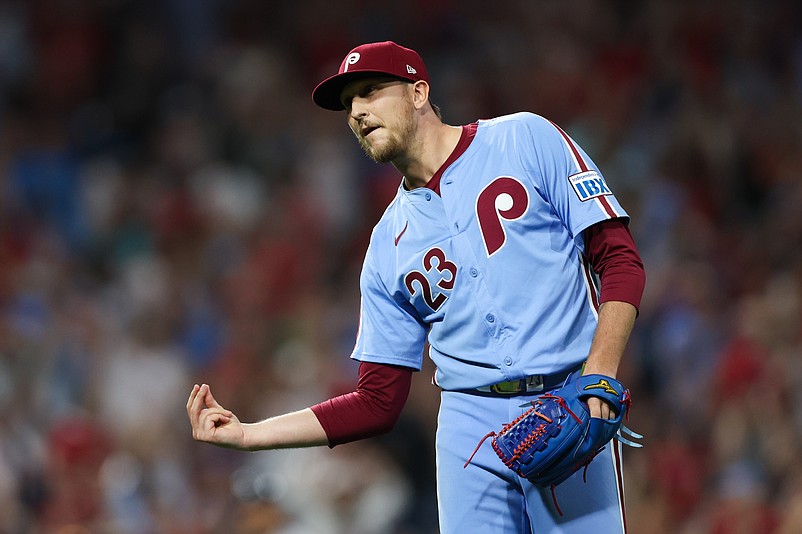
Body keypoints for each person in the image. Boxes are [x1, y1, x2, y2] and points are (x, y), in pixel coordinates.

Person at [187, 40, 646, 533]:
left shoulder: (524, 139)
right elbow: (376, 401)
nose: (358, 111)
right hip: (469, 429)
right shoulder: (387, 245)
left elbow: (619, 259)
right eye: (348, 105)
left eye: (369, 92)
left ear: (418, 92)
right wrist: (250, 435)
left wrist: (600, 374)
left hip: (569, 395)